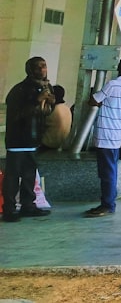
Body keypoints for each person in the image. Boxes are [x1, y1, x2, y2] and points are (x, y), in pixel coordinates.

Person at [85, 56, 121, 217]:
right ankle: (108, 202)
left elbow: (94, 100)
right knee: (111, 168)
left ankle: (108, 204)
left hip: (106, 132)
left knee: (107, 171)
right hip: (118, 131)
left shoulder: (112, 84)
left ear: (119, 67)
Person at [3, 56, 55, 222]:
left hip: (33, 140)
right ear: (30, 70)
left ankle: (28, 206)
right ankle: (9, 209)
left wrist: (50, 103)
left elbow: (44, 113)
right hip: (18, 140)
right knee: (12, 176)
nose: (42, 70)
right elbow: (16, 115)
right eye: (38, 67)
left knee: (29, 175)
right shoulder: (20, 90)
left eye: (44, 66)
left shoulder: (45, 87)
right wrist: (36, 102)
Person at [40, 85, 73, 151]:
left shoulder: (53, 110)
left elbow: (39, 122)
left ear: (52, 96)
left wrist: (41, 101)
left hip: (49, 144)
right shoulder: (67, 108)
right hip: (62, 144)